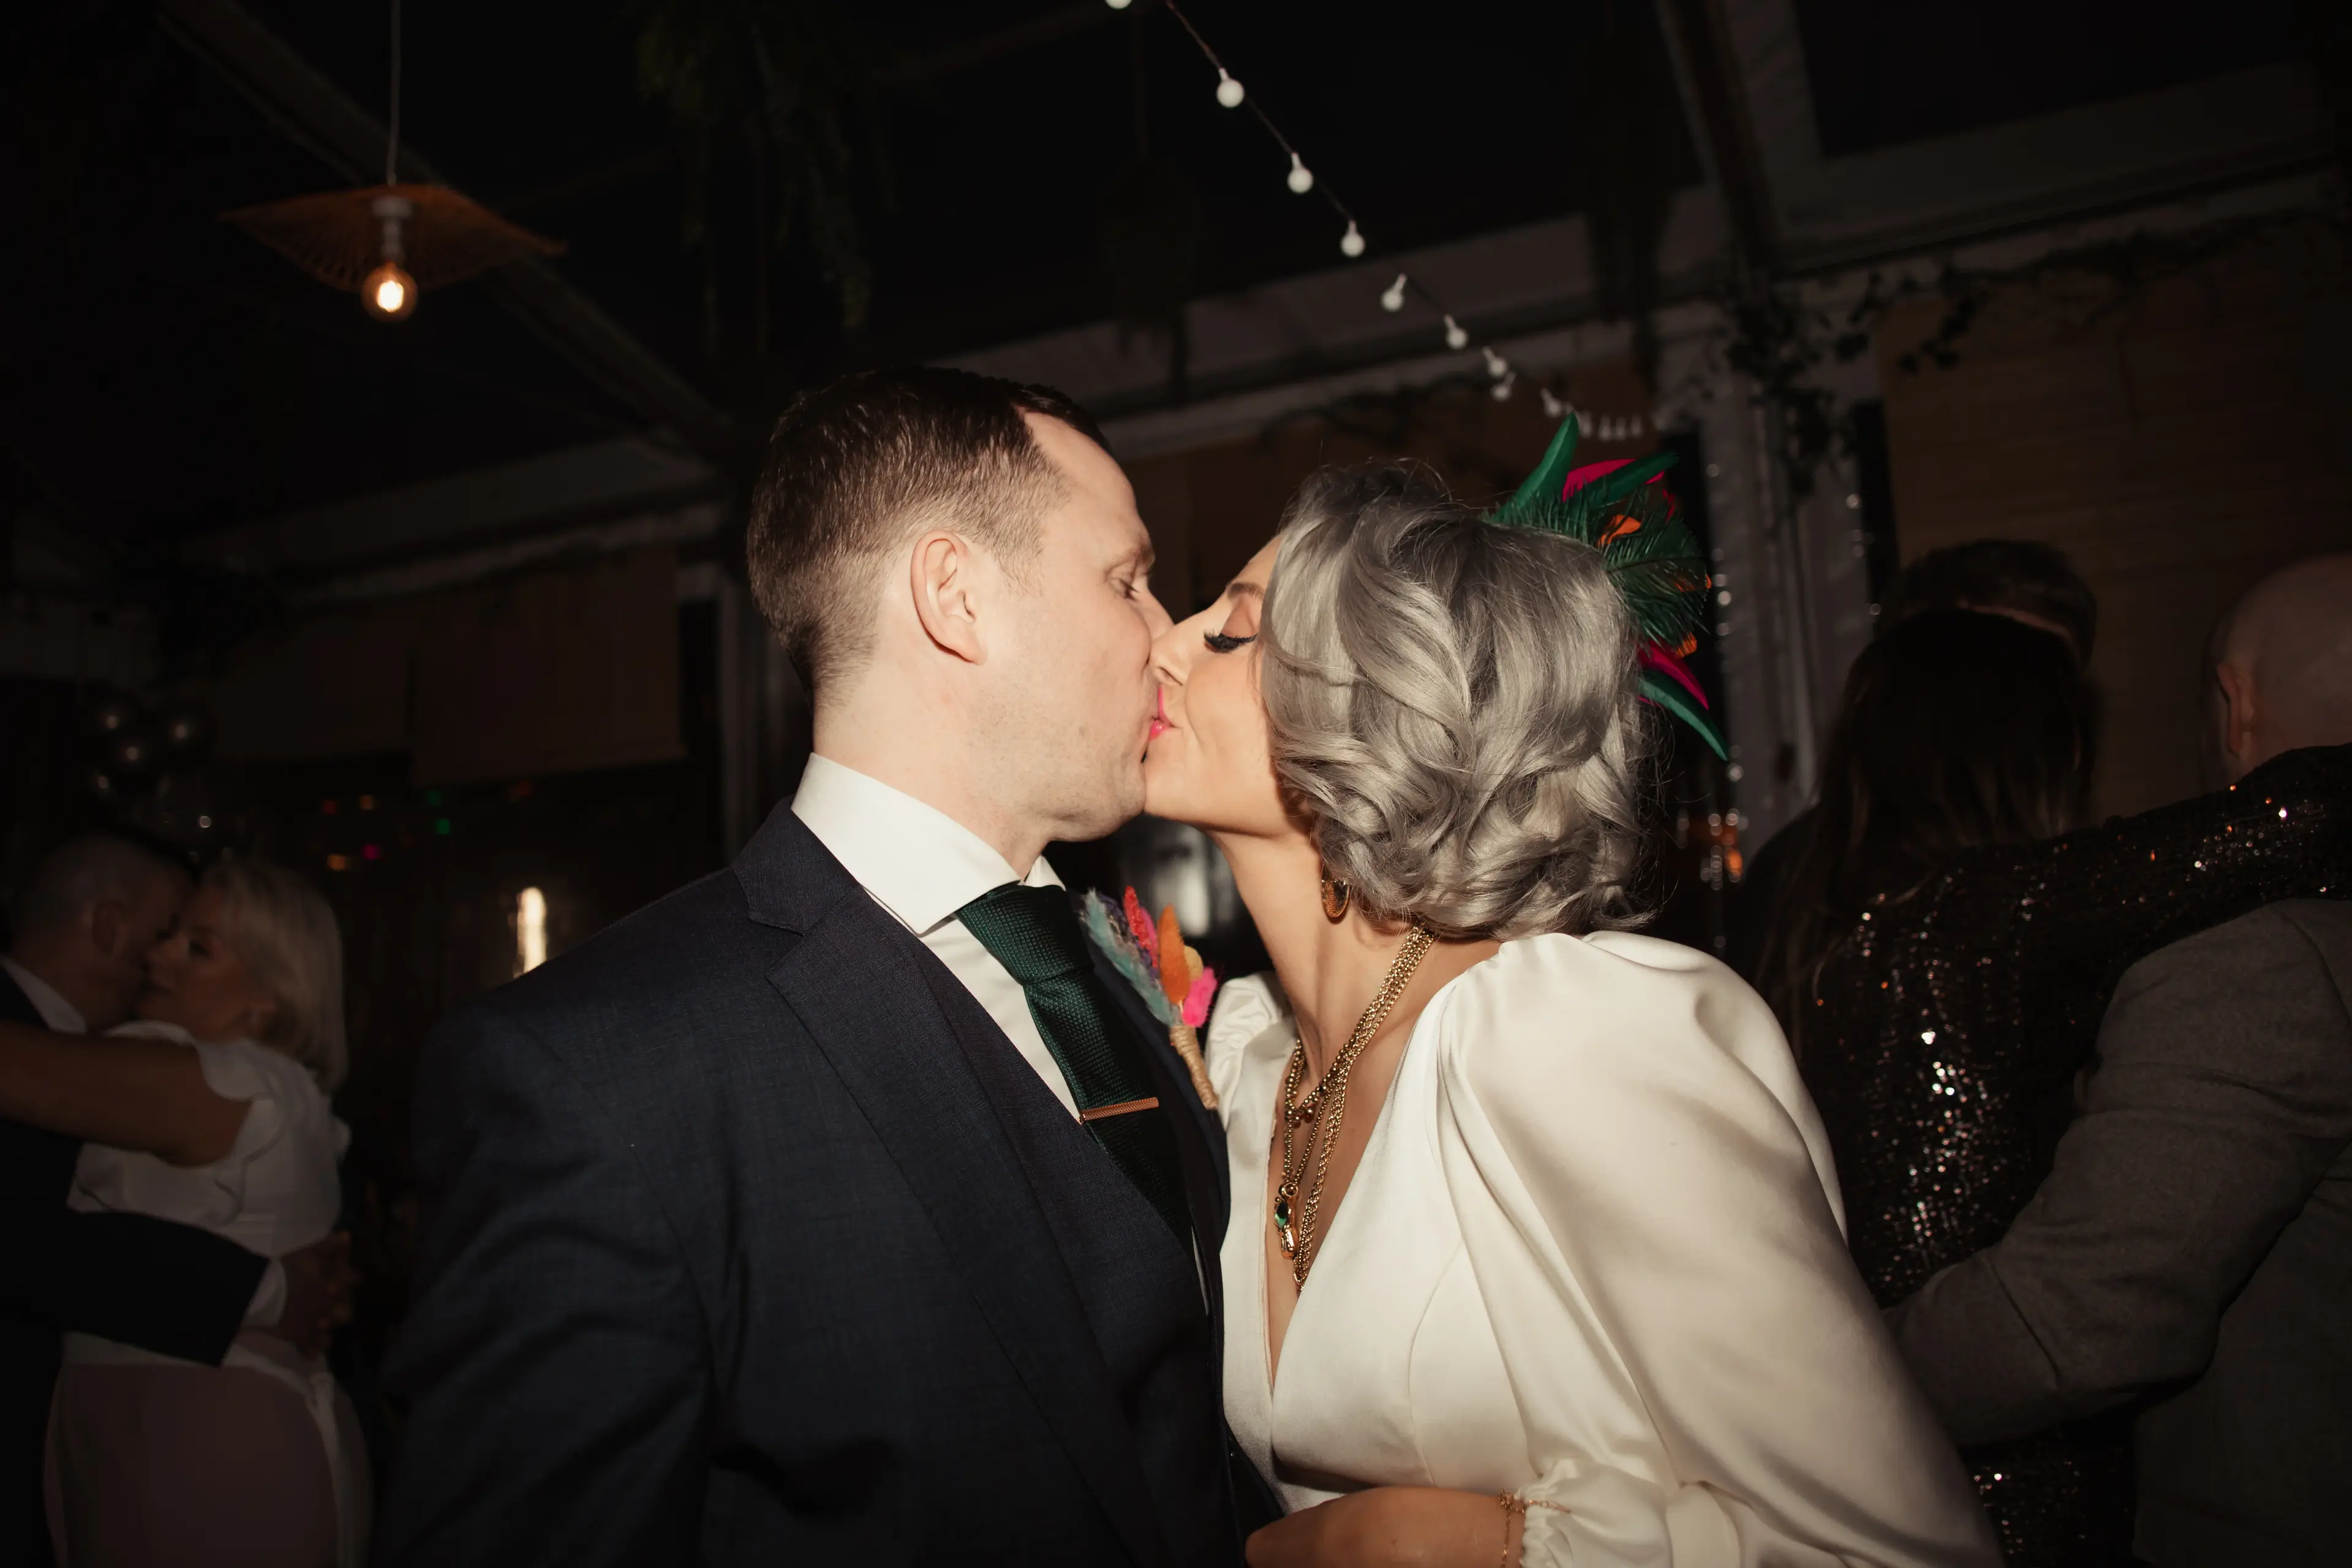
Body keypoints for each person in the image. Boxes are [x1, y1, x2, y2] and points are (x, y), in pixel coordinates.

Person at [378, 368, 1260, 1566]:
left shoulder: (1113, 966)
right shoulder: (595, 1074)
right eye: (1126, 578)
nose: (1165, 637)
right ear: (956, 595)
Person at [1145, 454, 2000, 1567]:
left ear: (1375, 696)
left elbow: (1899, 1551)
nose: (1163, 641)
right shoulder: (1252, 1059)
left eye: (1231, 631)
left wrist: (1482, 1546)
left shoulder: (1568, 1036)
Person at [1770, 604, 2352, 1564]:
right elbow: (2306, 813)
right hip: (1992, 1450)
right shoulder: (1996, 913)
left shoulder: (1817, 927)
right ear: (2031, 756)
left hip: (1891, 1432)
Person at [0, 855, 364, 1567]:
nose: (158, 955)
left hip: (198, 1436)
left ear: (265, 997)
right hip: (171, 1422)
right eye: (170, 934)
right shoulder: (278, 1092)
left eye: (197, 947)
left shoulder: (228, 1080)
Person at [1721, 538, 2097, 984]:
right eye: (2001, 677)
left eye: (2052, 688)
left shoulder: (2082, 882)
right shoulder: (1799, 888)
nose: (2031, 720)